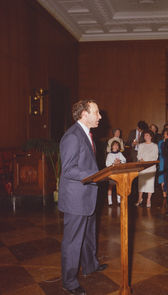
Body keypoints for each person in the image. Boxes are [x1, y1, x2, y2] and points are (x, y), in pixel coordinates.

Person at [58, 100, 108, 295]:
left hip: (87, 195)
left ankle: (90, 265)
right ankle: (69, 282)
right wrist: (95, 176)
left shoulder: (86, 134)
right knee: (72, 242)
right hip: (75, 198)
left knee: (88, 234)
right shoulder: (72, 136)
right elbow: (69, 169)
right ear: (84, 114)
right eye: (97, 112)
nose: (100, 116)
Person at [135, 130, 159, 207]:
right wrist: (142, 161)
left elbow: (155, 156)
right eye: (145, 135)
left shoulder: (154, 146)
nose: (146, 137)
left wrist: (148, 162)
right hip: (142, 167)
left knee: (150, 183)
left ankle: (148, 199)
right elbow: (139, 155)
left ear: (151, 136)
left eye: (147, 135)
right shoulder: (141, 145)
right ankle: (139, 199)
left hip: (151, 167)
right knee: (141, 183)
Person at [106, 140, 126, 206]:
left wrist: (119, 162)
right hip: (112, 172)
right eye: (114, 145)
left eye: (117, 145)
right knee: (110, 186)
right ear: (112, 146)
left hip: (118, 172)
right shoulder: (109, 155)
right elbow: (107, 164)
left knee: (118, 186)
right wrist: (113, 164)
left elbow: (124, 161)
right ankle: (110, 201)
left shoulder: (120, 154)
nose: (116, 147)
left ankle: (119, 200)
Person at [158, 128, 168, 198]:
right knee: (162, 176)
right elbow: (159, 151)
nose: (166, 135)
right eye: (165, 133)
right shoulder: (160, 142)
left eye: (167, 133)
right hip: (162, 160)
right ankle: (164, 192)